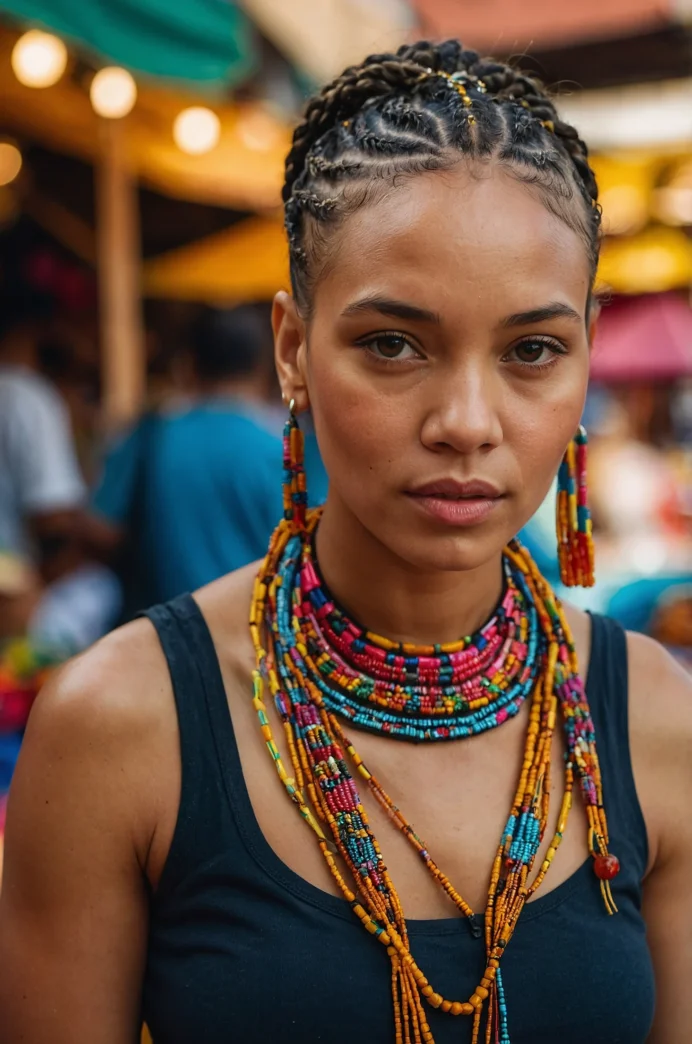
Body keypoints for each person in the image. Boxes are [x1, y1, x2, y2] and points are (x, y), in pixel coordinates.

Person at [1, 39, 690, 1044]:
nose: (465, 419)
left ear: (584, 358)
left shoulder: (656, 723)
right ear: (291, 348)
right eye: (391, 344)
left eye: (530, 351)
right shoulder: (118, 728)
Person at [85, 305, 326, 615]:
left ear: (190, 364)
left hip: (158, 637)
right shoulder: (287, 448)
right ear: (264, 365)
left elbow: (101, 529)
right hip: (254, 636)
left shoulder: (149, 436)